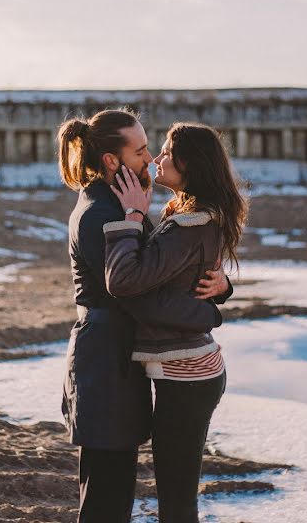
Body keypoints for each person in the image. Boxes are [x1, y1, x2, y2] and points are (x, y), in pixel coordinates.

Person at [57, 109, 233, 523]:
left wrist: (223, 289)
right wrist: (208, 312)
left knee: (116, 488)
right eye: (139, 150)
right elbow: (138, 293)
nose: (150, 157)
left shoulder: (119, 201)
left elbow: (166, 273)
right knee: (106, 494)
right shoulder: (105, 212)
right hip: (106, 358)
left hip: (122, 355)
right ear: (111, 161)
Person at [103, 121, 247, 523]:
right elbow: (184, 281)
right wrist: (220, 293)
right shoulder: (191, 217)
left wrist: (131, 216)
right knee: (176, 494)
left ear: (190, 164)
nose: (157, 158)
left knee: (177, 499)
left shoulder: (190, 225)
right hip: (190, 371)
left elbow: (125, 280)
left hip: (187, 376)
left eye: (166, 151)